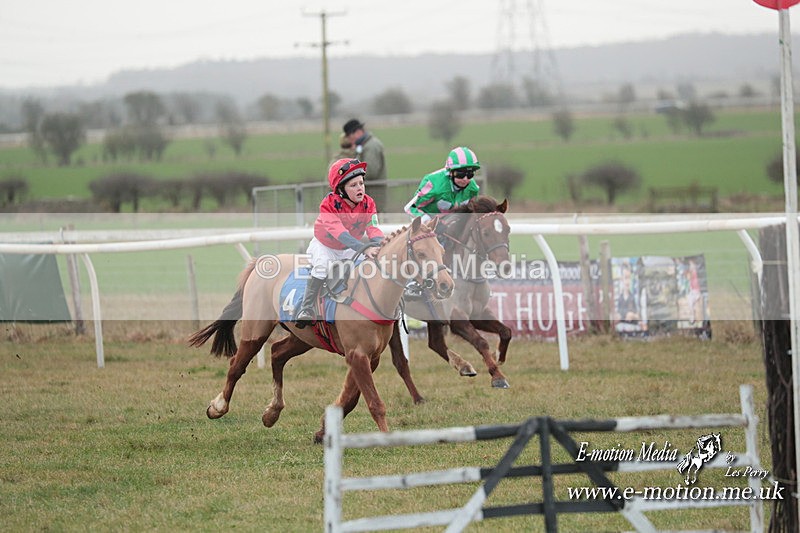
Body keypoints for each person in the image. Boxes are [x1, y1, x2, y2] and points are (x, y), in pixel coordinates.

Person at [294, 158, 384, 327]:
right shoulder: (328, 205)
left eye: (361, 183)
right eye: (354, 185)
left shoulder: (368, 203)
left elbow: (374, 229)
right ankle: (306, 308)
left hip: (351, 247)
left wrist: (382, 246)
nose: (360, 188)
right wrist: (364, 248)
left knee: (370, 266)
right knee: (322, 266)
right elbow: (340, 234)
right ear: (341, 190)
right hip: (325, 246)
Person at [404, 146, 481, 222]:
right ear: (450, 172)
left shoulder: (473, 188)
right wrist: (428, 221)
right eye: (460, 174)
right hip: (428, 223)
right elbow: (411, 207)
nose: (465, 179)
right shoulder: (433, 184)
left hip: (451, 223)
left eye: (470, 174)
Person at [343, 118, 387, 212]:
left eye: (351, 137)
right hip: (369, 195)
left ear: (358, 132)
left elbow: (371, 171)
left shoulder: (371, 146)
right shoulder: (365, 145)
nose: (351, 141)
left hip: (374, 195)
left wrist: (351, 177)